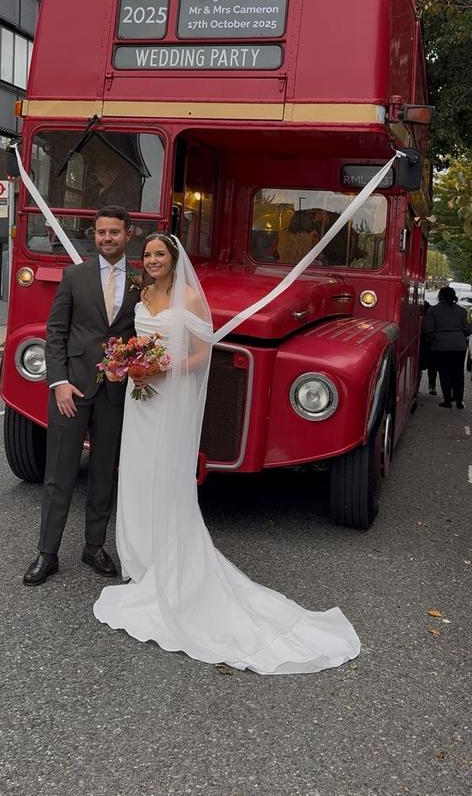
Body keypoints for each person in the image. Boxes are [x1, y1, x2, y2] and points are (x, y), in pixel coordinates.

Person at [94, 233, 361, 674]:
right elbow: (136, 341)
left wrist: (161, 369)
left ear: (174, 259)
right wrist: (131, 365)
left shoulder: (190, 297)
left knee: (165, 473)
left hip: (170, 397)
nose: (153, 260)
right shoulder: (143, 295)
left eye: (161, 254)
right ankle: (140, 557)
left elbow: (203, 353)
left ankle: (168, 562)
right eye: (149, 255)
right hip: (141, 399)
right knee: (137, 472)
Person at [23, 206, 140, 586]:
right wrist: (58, 382)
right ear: (94, 235)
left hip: (115, 392)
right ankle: (47, 553)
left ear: (128, 234)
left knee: (104, 472)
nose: (107, 238)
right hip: (71, 390)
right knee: (59, 472)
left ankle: (94, 547)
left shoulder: (141, 280)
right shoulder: (74, 276)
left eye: (114, 232)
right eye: (101, 232)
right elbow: (55, 332)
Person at [423, 286, 472, 410]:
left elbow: (428, 330)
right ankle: (459, 401)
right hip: (459, 346)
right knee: (458, 373)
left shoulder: (433, 311)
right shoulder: (462, 311)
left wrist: (433, 339)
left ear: (440, 296)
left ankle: (447, 401)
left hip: (441, 346)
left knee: (445, 372)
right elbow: (467, 329)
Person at [419, 300, 438, 394]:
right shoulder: (432, 319)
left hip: (422, 346)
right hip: (431, 345)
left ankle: (418, 386)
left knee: (419, 367)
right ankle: (432, 386)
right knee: (432, 368)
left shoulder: (420, 319)